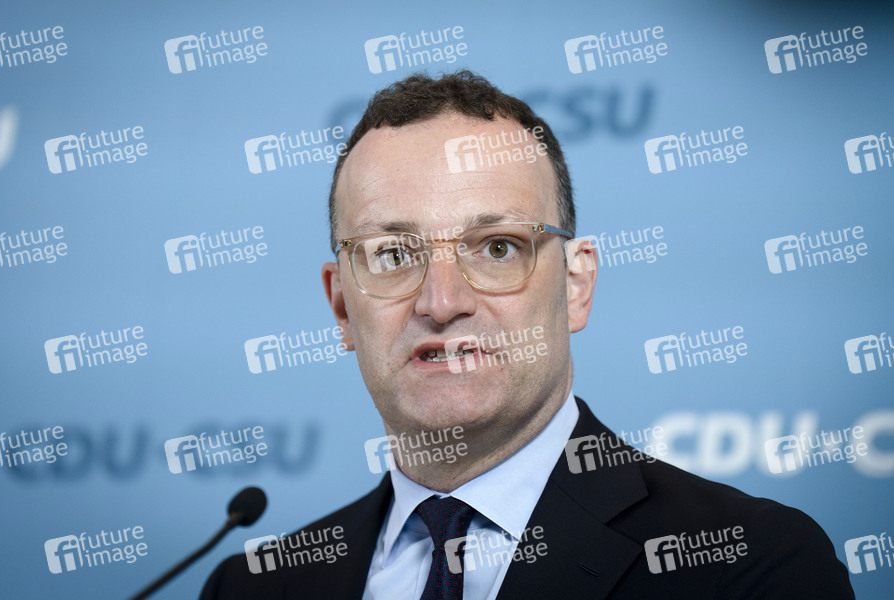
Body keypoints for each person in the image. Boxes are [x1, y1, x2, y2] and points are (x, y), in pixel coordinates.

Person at [201, 70, 854, 599]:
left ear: (575, 285)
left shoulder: (748, 565)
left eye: (497, 247)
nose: (442, 302)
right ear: (342, 308)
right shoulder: (251, 589)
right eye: (393, 254)